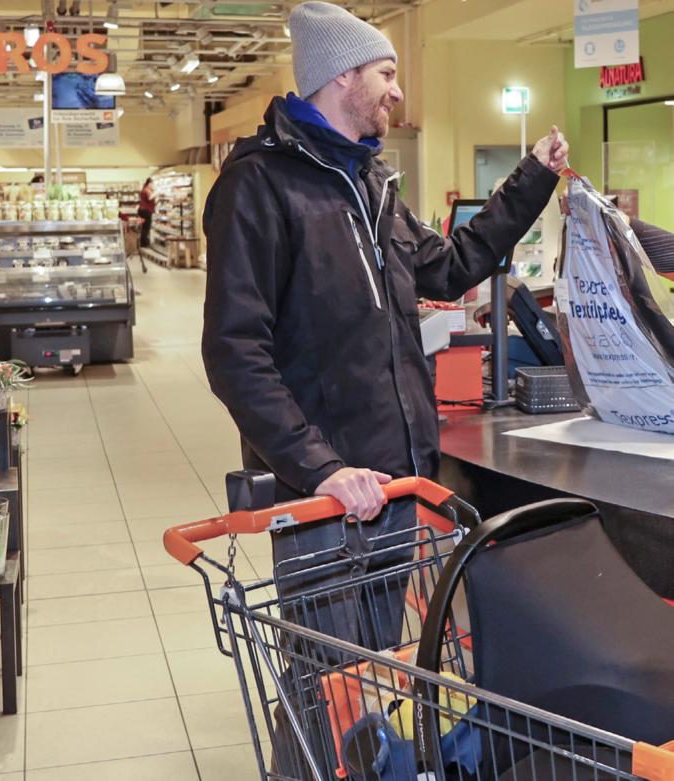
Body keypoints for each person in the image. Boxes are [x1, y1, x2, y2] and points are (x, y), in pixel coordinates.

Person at [202, 2, 568, 775]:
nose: (397, 92)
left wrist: (532, 178)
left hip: (395, 483)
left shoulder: (369, 184)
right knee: (324, 680)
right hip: (326, 495)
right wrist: (322, 468)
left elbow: (450, 266)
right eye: (386, 73)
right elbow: (234, 352)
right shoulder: (258, 187)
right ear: (341, 77)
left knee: (366, 679)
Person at [137, 177, 155, 248]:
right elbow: (149, 198)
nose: (153, 185)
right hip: (146, 211)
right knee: (146, 227)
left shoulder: (144, 190)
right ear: (149, 184)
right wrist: (156, 193)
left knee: (144, 227)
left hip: (142, 210)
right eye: (152, 184)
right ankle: (144, 243)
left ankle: (143, 242)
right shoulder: (146, 190)